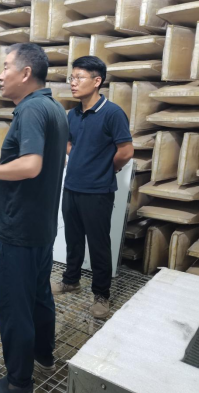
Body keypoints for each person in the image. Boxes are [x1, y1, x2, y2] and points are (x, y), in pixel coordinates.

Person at [0, 43, 68, 393]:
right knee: (39, 295)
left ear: (26, 73)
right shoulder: (54, 108)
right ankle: (43, 354)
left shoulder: (31, 110)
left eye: (6, 67)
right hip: (41, 226)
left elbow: (31, 164)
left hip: (20, 229)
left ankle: (18, 382)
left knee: (14, 305)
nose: (0, 75)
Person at [51, 56, 133, 319]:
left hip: (98, 191)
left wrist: (107, 168)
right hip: (71, 187)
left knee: (98, 244)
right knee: (73, 239)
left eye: (79, 77)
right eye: (71, 77)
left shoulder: (112, 113)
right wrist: (77, 157)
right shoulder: (73, 114)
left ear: (97, 81)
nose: (73, 83)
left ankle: (101, 294)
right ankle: (71, 280)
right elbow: (68, 142)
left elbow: (126, 151)